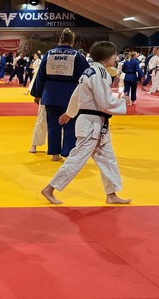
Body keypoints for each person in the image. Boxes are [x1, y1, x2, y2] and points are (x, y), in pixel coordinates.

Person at [41, 41, 131, 205]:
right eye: (114, 55)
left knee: (107, 158)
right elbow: (105, 102)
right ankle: (49, 188)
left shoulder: (89, 71)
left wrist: (69, 113)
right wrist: (123, 101)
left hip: (95, 122)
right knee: (77, 158)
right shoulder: (100, 73)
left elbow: (77, 94)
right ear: (106, 57)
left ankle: (111, 194)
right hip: (91, 123)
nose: (116, 58)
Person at [30, 28, 90, 161]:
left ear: (60, 40)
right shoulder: (77, 56)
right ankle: (68, 153)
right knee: (70, 124)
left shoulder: (49, 54)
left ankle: (54, 154)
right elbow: (86, 76)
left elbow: (40, 76)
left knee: (53, 124)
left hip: (50, 93)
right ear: (72, 41)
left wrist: (37, 94)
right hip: (69, 94)